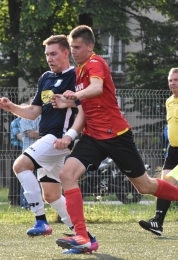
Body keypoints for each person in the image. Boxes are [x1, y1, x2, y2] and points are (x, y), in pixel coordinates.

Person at [51, 26, 178, 253]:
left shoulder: (95, 63)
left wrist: (75, 95)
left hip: (116, 136)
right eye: (72, 48)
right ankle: (82, 237)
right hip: (92, 137)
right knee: (66, 174)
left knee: (145, 186)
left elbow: (97, 88)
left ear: (90, 47)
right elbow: (87, 106)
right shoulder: (79, 71)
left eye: (78, 47)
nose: (74, 52)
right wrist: (68, 103)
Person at [0, 34, 98, 254]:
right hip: (48, 141)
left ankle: (41, 221)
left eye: (54, 53)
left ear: (66, 53)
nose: (49, 58)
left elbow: (85, 110)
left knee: (20, 165)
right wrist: (11, 106)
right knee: (51, 194)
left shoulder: (76, 76)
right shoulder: (46, 78)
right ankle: (85, 237)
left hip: (58, 139)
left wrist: (69, 135)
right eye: (47, 55)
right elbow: (34, 112)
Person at [139, 68, 178, 236]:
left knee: (170, 182)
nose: (173, 83)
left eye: (176, 80)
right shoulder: (169, 101)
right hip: (173, 150)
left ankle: (157, 220)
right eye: (170, 80)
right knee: (165, 185)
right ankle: (157, 223)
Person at [20, 99, 41, 209]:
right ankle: (26, 204)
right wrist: (45, 132)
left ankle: (38, 204)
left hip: (42, 152)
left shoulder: (45, 116)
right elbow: (31, 133)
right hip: (29, 152)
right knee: (28, 178)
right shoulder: (25, 116)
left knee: (40, 179)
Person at [8, 115, 23, 206]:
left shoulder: (33, 121)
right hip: (17, 149)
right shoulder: (15, 122)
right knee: (15, 174)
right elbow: (21, 137)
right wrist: (31, 134)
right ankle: (14, 199)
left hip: (28, 147)